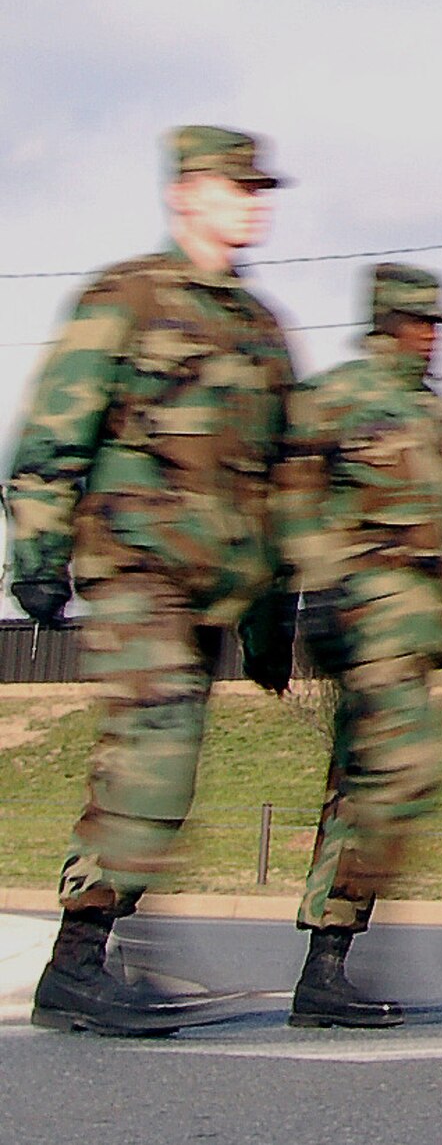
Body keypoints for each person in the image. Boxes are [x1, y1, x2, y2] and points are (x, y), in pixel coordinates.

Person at [8, 126, 299, 1036]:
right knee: (155, 750)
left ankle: (97, 948)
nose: (253, 201)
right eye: (234, 186)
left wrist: (267, 617)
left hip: (208, 584)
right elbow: (56, 430)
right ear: (185, 194)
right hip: (135, 568)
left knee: (164, 763)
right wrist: (38, 555)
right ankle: (78, 963)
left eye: (259, 188)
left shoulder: (260, 329)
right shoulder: (127, 295)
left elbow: (279, 482)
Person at [277, 264, 442, 1029]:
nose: (432, 341)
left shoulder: (439, 417)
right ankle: (329, 960)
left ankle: (328, 966)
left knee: (362, 783)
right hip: (358, 617)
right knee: (406, 766)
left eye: (437, 328)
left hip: (415, 631)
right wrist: (311, 595)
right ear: (392, 323)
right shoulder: (334, 398)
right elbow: (291, 502)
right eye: (423, 326)